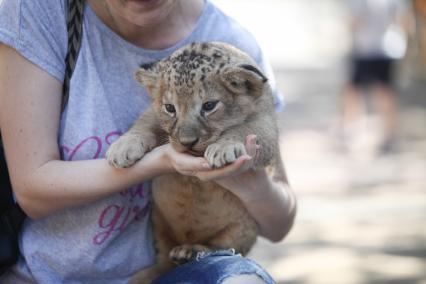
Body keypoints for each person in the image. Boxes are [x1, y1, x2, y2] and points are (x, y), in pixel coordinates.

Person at [0, 0, 296, 283]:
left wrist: (252, 184)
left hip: (180, 268)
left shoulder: (231, 44)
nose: (187, 136)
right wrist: (157, 160)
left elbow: (280, 224)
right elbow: (31, 192)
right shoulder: (40, 12)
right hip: (45, 276)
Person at [341, 0, 408, 153]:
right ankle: (386, 134)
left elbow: (352, 22)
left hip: (370, 50)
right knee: (381, 92)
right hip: (381, 49)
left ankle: (357, 132)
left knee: (358, 91)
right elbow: (402, 21)